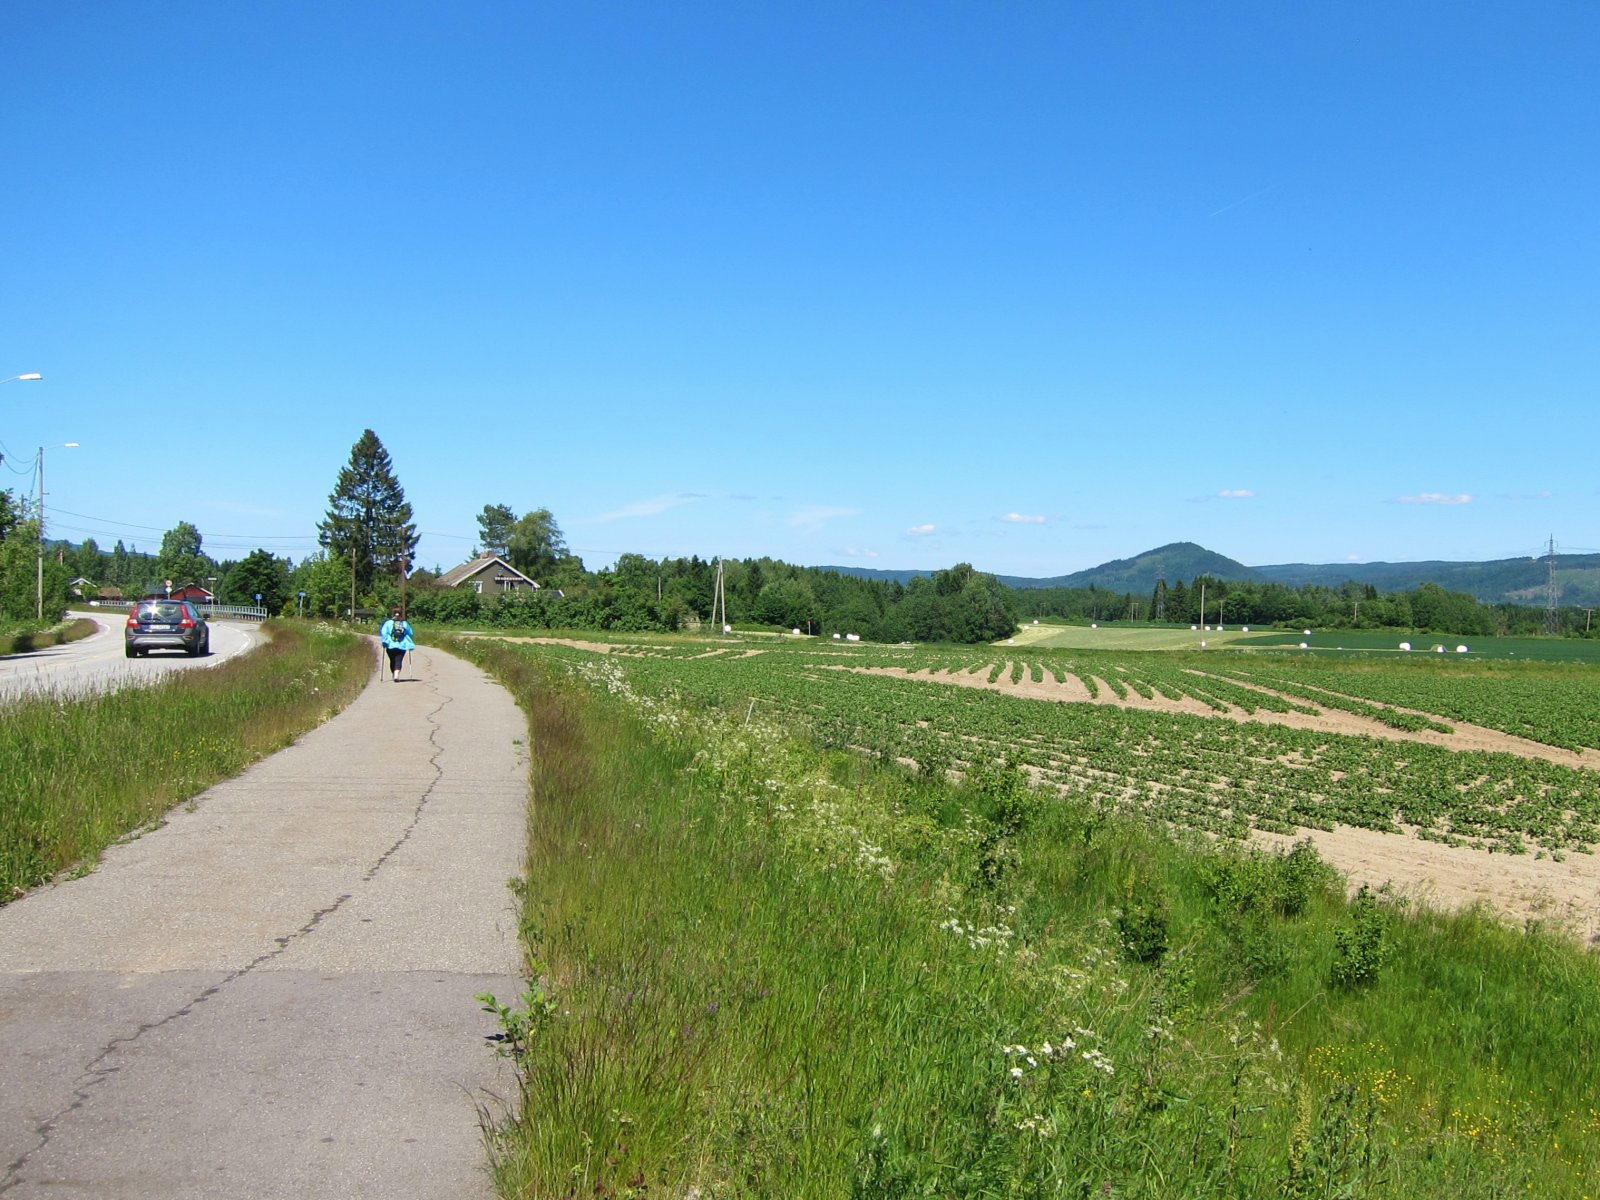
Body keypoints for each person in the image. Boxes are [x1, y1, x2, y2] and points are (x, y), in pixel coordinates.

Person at [379, 609, 414, 681]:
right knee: (399, 660)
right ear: (401, 614)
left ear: (392, 614)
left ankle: (394, 674)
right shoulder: (404, 623)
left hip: (390, 645)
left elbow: (384, 632)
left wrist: (384, 641)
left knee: (392, 660)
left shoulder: (388, 623)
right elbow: (411, 633)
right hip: (402, 645)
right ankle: (396, 674)